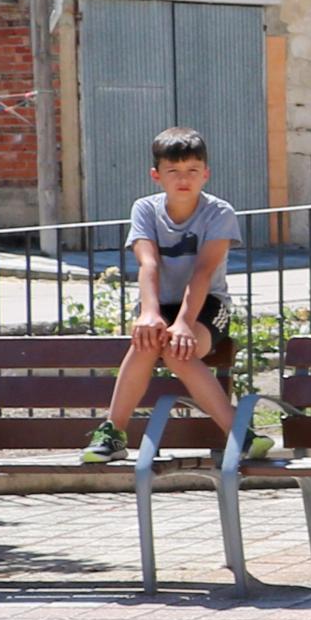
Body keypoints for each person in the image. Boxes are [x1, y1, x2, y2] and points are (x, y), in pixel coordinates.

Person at [80, 129, 270, 468]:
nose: (184, 179)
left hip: (207, 303)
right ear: (157, 175)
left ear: (206, 173)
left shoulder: (219, 212)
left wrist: (184, 322)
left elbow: (203, 271)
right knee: (147, 342)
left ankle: (241, 434)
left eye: (193, 171)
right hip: (160, 302)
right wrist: (149, 312)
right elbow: (148, 263)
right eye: (174, 172)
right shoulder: (145, 210)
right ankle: (113, 433)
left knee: (178, 349)